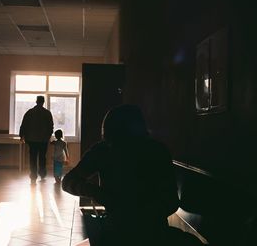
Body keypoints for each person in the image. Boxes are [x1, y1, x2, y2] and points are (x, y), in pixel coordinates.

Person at [62, 104, 181, 246]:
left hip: (116, 230)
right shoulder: (157, 151)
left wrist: (96, 192)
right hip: (153, 232)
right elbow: (171, 201)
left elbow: (68, 182)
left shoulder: (104, 151)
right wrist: (145, 214)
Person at [19, 96, 54, 184]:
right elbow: (51, 126)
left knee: (33, 158)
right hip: (43, 140)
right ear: (43, 102)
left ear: (36, 101)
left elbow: (24, 125)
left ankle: (33, 176)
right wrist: (48, 136)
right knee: (42, 157)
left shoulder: (30, 112)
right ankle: (42, 174)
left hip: (32, 139)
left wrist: (21, 136)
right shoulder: (47, 113)